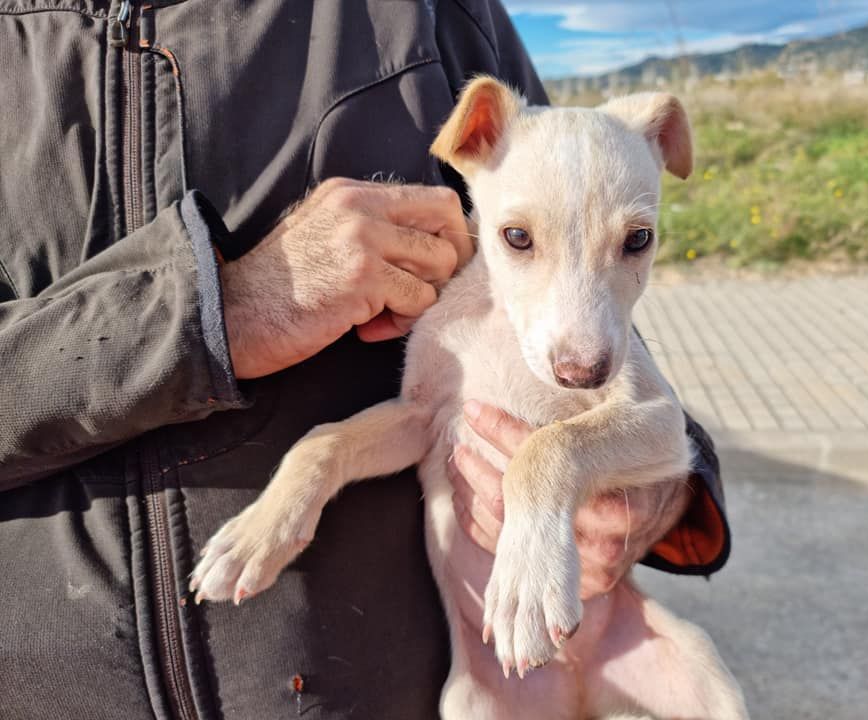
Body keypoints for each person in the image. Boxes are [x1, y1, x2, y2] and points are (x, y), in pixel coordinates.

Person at [0, 1, 730, 717]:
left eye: (637, 241)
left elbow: (587, 250)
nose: (584, 349)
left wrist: (656, 501)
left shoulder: (439, 15)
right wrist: (216, 314)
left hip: (419, 676)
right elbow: (426, 412)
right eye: (517, 242)